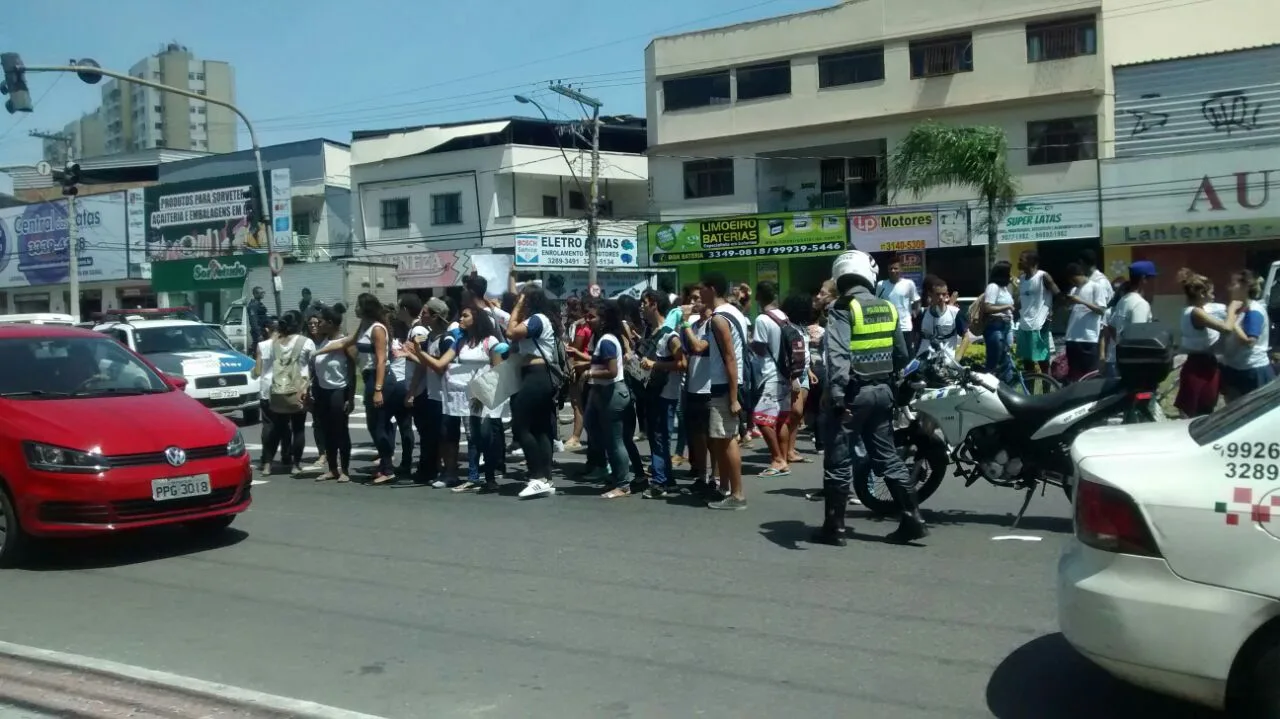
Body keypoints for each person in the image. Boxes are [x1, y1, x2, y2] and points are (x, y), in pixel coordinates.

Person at [814, 250, 921, 547]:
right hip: (883, 393)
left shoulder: (842, 307)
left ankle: (834, 528)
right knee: (887, 455)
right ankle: (912, 518)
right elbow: (902, 354)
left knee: (837, 460)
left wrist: (836, 395)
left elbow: (837, 355)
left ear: (841, 276)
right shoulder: (887, 306)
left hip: (852, 396)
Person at [313, 293, 396, 484]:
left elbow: (382, 359)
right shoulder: (364, 326)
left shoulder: (377, 329)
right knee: (372, 425)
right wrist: (318, 351)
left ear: (365, 308)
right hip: (368, 377)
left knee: (379, 425)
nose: (355, 309)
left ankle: (387, 468)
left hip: (378, 378)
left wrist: (378, 389)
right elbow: (344, 342)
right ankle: (383, 465)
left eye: (357, 306)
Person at [506, 285, 562, 499]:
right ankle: (545, 478)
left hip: (536, 375)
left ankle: (537, 477)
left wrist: (518, 306)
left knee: (521, 426)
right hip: (538, 375)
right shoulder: (542, 319)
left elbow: (511, 332)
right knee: (540, 428)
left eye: (521, 301)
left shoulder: (537, 319)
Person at [701, 272, 749, 510]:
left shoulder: (719, 319)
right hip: (728, 383)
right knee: (721, 439)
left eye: (702, 288)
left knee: (727, 439)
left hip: (727, 385)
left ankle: (737, 494)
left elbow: (730, 357)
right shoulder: (734, 313)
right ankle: (726, 489)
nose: (699, 293)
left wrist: (732, 398)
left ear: (711, 288)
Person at [587, 300, 638, 499]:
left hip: (612, 393)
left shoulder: (607, 341)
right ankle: (616, 477)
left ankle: (623, 484)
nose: (588, 320)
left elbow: (611, 371)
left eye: (592, 316)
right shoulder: (606, 338)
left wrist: (589, 373)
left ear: (603, 319)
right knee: (607, 437)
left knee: (616, 441)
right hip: (606, 393)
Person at [259, 310, 316, 477]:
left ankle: (267, 464)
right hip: (299, 390)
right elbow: (312, 365)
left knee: (276, 428)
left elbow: (265, 365)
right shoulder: (306, 342)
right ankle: (295, 464)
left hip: (276, 390)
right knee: (298, 429)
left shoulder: (271, 343)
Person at [405, 297, 453, 486]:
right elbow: (424, 366)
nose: (421, 316)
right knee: (428, 434)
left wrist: (416, 353)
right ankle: (429, 469)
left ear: (435, 316)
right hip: (431, 393)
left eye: (425, 313)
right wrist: (412, 390)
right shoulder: (428, 338)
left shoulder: (447, 339)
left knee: (443, 435)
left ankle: (443, 470)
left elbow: (441, 367)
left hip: (445, 394)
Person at [640, 290, 684, 498]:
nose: (641, 307)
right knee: (656, 436)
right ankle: (666, 478)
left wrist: (654, 364)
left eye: (644, 303)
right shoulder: (652, 331)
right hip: (653, 391)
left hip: (666, 393)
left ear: (654, 305)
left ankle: (660, 481)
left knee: (660, 437)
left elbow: (682, 363)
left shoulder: (669, 334)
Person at [1175, 269, 1230, 418]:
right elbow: (1226, 328)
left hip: (1202, 364)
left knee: (1202, 409)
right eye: (1211, 292)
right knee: (1199, 412)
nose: (1213, 296)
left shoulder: (1191, 310)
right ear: (1201, 294)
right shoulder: (1197, 313)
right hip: (1200, 367)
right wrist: (1233, 309)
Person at [751, 280, 792, 476]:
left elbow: (759, 348)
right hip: (785, 374)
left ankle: (777, 459)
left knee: (761, 418)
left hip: (769, 374)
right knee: (782, 419)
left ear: (758, 296)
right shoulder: (783, 316)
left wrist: (749, 341)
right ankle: (783, 459)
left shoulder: (762, 319)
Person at [311, 305, 355, 482]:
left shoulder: (345, 343)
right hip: (322, 392)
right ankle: (332, 468)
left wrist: (350, 398)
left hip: (339, 390)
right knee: (326, 431)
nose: (317, 324)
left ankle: (344, 469)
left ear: (330, 323)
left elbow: (352, 371)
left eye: (320, 321)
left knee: (341, 432)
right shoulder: (321, 342)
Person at [1222, 270, 1275, 402]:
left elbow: (1250, 341)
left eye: (1233, 284)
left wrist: (1232, 318)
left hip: (1252, 370)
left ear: (1245, 287)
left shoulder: (1253, 310)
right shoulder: (1240, 309)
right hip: (1236, 367)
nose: (1229, 288)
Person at [1102, 261, 1156, 378]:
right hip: (1134, 363)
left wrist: (1120, 342)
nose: (1154, 283)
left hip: (1121, 358)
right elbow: (1137, 338)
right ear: (1143, 279)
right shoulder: (1140, 304)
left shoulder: (1124, 300)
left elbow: (1111, 326)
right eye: (1152, 279)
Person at [1015, 251, 1059, 375]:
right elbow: (1020, 300)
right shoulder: (1021, 278)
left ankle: (1047, 393)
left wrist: (1050, 312)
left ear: (1031, 262)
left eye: (1021, 259)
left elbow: (1058, 295)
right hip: (1024, 325)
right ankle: (1029, 393)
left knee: (1043, 362)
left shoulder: (1043, 276)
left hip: (1040, 325)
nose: (1019, 262)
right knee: (1027, 363)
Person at [1063, 262, 1108, 380]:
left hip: (1088, 338)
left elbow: (1101, 310)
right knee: (1073, 374)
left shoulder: (1095, 287)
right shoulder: (1074, 290)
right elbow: (1070, 311)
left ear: (1079, 274)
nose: (1073, 283)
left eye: (1074, 279)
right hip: (1072, 337)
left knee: (1089, 374)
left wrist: (1081, 301)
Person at [981, 261, 1017, 385]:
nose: (1011, 275)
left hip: (1007, 326)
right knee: (994, 360)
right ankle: (987, 386)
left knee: (1006, 359)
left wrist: (1015, 284)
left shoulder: (1005, 289)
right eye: (1009, 273)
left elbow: (1017, 301)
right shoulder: (993, 287)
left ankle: (1008, 388)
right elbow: (987, 307)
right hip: (995, 326)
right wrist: (1006, 307)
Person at [875, 257, 921, 352]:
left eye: (896, 268)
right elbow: (877, 303)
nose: (893, 271)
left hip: (905, 326)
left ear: (901, 269)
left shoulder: (909, 284)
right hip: (887, 327)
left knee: (907, 354)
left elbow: (917, 300)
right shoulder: (881, 285)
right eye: (890, 269)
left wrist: (915, 312)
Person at [919, 275, 966, 362]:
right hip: (925, 360)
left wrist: (958, 357)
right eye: (937, 294)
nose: (941, 297)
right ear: (930, 294)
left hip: (947, 361)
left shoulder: (955, 313)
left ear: (947, 295)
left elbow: (966, 336)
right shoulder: (922, 313)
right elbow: (916, 337)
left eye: (943, 294)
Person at [247, 286, 269, 356]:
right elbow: (253, 321)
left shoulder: (259, 304)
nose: (263, 294)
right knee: (259, 353)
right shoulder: (253, 305)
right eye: (261, 293)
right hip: (259, 332)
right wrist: (259, 334)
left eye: (263, 292)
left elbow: (263, 317)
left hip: (264, 331)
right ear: (255, 294)